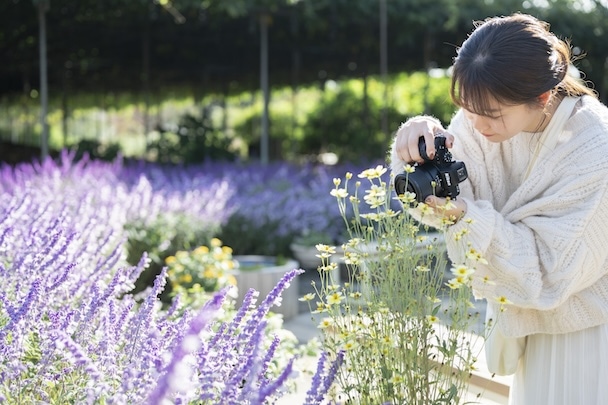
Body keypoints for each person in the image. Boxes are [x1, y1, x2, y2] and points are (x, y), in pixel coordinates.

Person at [390, 13, 608, 405]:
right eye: (467, 110)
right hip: (525, 329)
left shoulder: (594, 147)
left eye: (489, 115)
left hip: (587, 333)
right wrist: (417, 148)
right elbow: (445, 198)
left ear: (542, 97)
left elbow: (548, 269)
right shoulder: (480, 117)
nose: (474, 125)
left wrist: (466, 218)